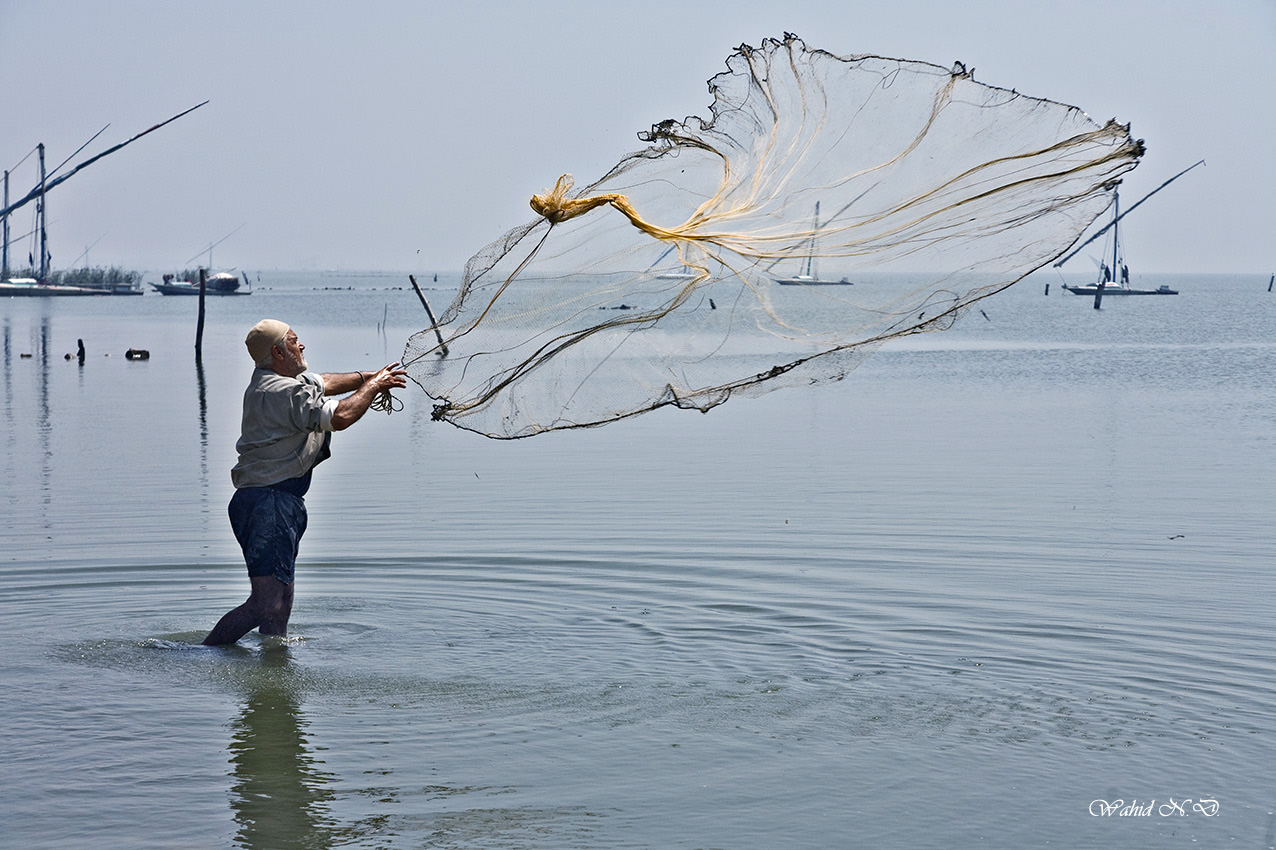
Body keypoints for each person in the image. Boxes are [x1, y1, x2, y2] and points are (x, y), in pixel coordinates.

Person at [202, 319, 408, 646]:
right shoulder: (281, 391)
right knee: (265, 603)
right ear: (278, 352)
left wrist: (368, 377)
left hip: (278, 502)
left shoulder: (278, 380)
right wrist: (373, 387)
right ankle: (202, 654)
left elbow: (323, 381)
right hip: (266, 504)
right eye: (295, 341)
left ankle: (272, 665)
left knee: (279, 607)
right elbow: (339, 417)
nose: (302, 346)